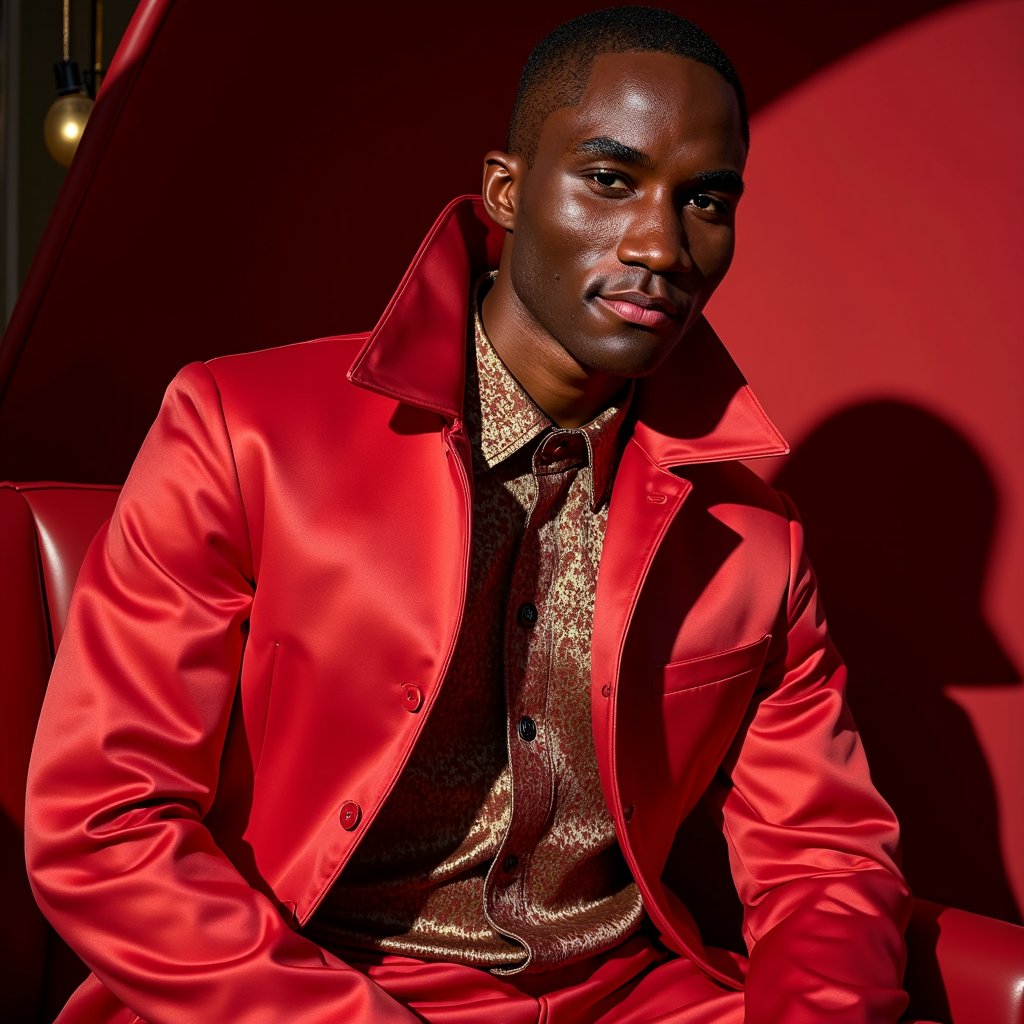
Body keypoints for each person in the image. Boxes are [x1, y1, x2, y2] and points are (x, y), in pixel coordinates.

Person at [26, 7, 911, 1023]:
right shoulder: (242, 432)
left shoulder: (755, 540)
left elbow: (826, 859)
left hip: (625, 998)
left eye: (705, 200)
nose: (661, 245)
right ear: (505, 191)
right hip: (302, 992)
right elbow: (106, 819)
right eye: (610, 179)